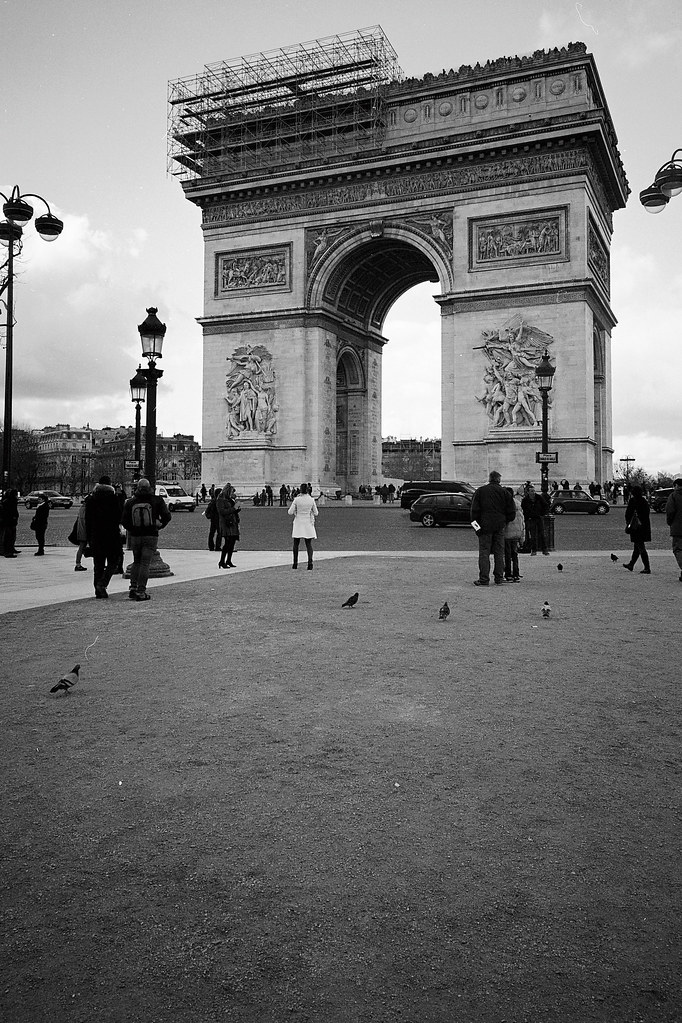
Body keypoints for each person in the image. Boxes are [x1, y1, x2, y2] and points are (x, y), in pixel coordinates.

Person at [121, 478, 171, 600]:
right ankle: (141, 591)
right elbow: (167, 516)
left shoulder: (130, 502)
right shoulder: (156, 500)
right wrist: (159, 525)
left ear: (137, 488)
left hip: (136, 536)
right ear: (150, 488)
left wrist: (132, 529)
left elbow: (124, 521)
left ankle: (132, 588)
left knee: (136, 562)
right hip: (151, 535)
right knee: (145, 564)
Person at [470, 470, 515, 586]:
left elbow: (473, 513)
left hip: (484, 526)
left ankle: (484, 578)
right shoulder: (505, 493)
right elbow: (512, 513)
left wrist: (477, 528)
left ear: (489, 479)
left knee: (484, 553)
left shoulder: (480, 491)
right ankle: (499, 578)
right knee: (499, 553)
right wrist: (504, 522)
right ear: (499, 480)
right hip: (499, 526)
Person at [85, 475, 123, 599]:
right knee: (114, 560)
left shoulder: (91, 499)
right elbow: (118, 516)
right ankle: (103, 584)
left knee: (98, 564)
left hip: (96, 534)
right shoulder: (113, 498)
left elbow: (88, 520)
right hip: (111, 534)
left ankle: (98, 590)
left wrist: (89, 536)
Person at [288, 483, 318, 570]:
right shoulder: (311, 500)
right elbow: (316, 513)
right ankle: (310, 564)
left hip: (299, 522)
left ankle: (295, 564)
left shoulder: (297, 500)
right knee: (308, 544)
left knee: (296, 544)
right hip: (307, 522)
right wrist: (309, 512)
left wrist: (296, 510)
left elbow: (290, 512)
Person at [623, 484, 652, 574]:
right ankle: (631, 564)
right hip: (644, 526)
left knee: (640, 547)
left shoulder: (633, 501)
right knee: (637, 547)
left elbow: (628, 514)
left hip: (636, 527)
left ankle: (647, 568)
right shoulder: (644, 501)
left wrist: (628, 523)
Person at [216, 484, 241, 569]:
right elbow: (222, 511)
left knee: (232, 542)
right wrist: (234, 508)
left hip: (232, 522)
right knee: (227, 543)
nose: (232, 494)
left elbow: (233, 510)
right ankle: (222, 561)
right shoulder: (220, 500)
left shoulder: (230, 499)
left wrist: (237, 507)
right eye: (231, 492)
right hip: (226, 523)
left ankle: (229, 560)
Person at [521, 485, 550, 555]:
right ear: (528, 492)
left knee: (542, 534)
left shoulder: (539, 497)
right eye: (531, 491)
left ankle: (544, 549)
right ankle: (534, 550)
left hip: (538, 518)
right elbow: (523, 509)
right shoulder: (525, 500)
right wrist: (527, 516)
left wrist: (542, 514)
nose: (533, 492)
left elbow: (545, 506)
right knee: (532, 535)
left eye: (534, 491)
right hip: (531, 519)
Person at [504, 487, 525, 582]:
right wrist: (522, 534)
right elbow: (522, 521)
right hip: (517, 533)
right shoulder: (518, 503)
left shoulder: (505, 505)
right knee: (515, 555)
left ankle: (508, 574)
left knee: (507, 555)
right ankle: (516, 574)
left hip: (507, 533)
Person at [665, 477, 682, 582]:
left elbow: (670, 511)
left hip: (678, 528)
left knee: (678, 549)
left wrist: (670, 522)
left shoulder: (673, 496)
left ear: (676, 486)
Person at [1, 488, 20, 558]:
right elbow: (9, 512)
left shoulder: (8, 501)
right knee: (8, 537)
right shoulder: (9, 502)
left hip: (10, 521)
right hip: (9, 522)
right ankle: (8, 552)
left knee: (11, 537)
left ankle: (9, 550)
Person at [74, 498, 88, 571]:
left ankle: (78, 564)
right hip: (86, 532)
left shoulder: (81, 508)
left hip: (81, 531)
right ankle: (78, 564)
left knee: (81, 547)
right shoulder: (87, 510)